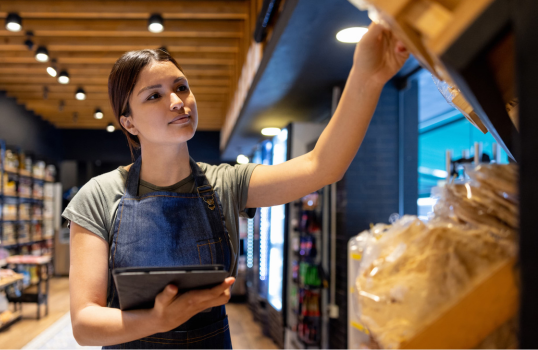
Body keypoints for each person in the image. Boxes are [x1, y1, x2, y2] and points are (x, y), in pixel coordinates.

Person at [64, 22, 409, 349]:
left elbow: (322, 166)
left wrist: (368, 76)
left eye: (180, 87)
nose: (176, 101)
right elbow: (84, 323)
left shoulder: (225, 185)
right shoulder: (98, 196)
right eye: (153, 96)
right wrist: (157, 319)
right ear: (129, 122)